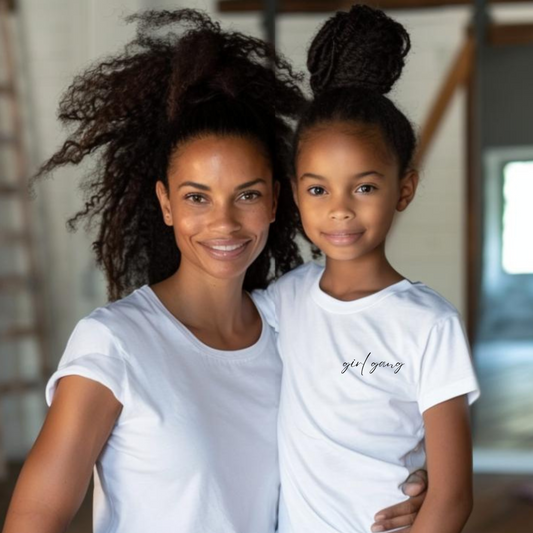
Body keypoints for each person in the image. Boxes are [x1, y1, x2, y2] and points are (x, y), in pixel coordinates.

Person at [2, 9, 428, 533]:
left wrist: (409, 487)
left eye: (246, 195)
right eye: (197, 197)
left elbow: (350, 453)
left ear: (276, 201)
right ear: (165, 204)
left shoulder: (293, 333)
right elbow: (32, 522)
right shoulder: (115, 344)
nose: (223, 223)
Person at [253, 5, 480, 533]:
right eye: (318, 189)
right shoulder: (282, 301)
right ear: (294, 195)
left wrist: (429, 494)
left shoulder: (429, 325)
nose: (340, 208)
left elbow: (450, 498)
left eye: (365, 186)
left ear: (404, 190)